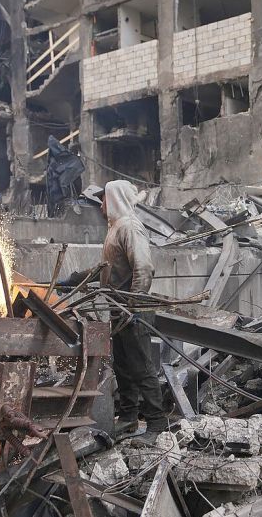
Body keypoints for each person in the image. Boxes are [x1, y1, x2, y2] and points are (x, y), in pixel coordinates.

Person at [60, 180, 168, 434]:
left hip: (134, 311)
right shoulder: (115, 228)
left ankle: (157, 423)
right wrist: (76, 280)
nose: (101, 205)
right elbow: (104, 269)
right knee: (122, 366)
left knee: (141, 367)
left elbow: (144, 268)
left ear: (116, 199)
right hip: (119, 310)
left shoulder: (130, 227)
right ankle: (129, 417)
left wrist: (134, 304)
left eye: (104, 199)